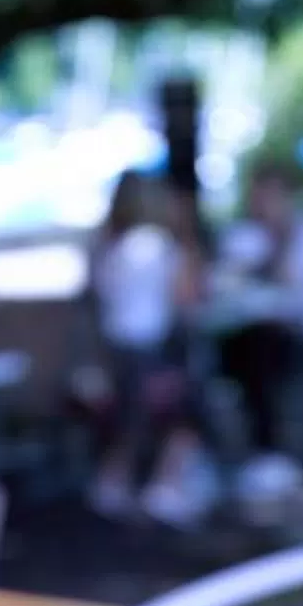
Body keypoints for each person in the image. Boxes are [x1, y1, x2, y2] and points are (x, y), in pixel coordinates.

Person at [212, 159, 303, 499]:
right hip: (253, 337)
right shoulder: (243, 236)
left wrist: (280, 245)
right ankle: (258, 459)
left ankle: (271, 456)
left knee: (261, 348)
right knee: (247, 347)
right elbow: (226, 287)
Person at [85, 168, 212, 525]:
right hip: (146, 352)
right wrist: (187, 236)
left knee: (132, 414)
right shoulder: (156, 245)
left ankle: (113, 481)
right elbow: (188, 297)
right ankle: (166, 484)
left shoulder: (108, 246)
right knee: (192, 400)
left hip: (114, 352)